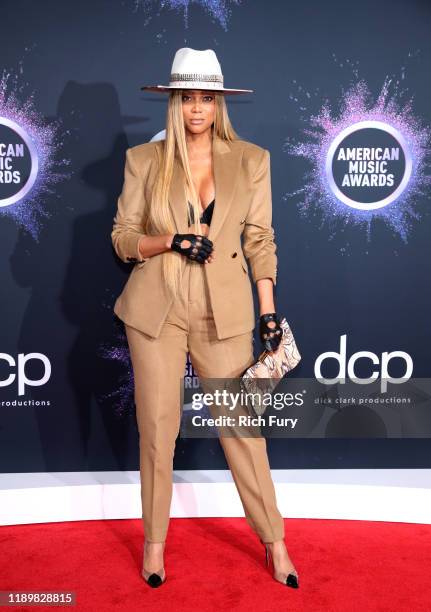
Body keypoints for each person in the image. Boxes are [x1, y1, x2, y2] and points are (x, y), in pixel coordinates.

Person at [111, 47, 299, 589]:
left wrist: (268, 313)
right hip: (157, 311)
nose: (197, 109)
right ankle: (153, 545)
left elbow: (260, 241)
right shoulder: (144, 161)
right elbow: (122, 238)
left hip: (227, 314)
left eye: (206, 99)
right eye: (187, 98)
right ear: (173, 102)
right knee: (157, 431)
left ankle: (275, 544)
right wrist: (168, 240)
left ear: (220, 101)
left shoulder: (252, 159)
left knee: (241, 430)